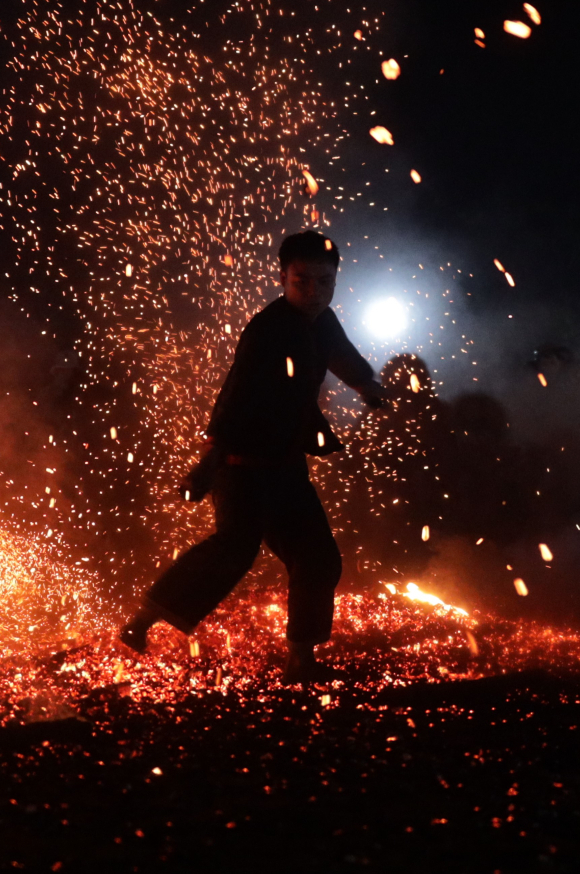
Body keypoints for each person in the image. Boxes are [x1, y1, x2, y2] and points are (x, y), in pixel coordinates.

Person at [119, 230, 387, 682]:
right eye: (302, 281)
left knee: (318, 558)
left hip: (286, 469)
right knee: (233, 549)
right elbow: (235, 398)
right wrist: (207, 463)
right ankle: (142, 620)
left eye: (325, 282)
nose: (314, 292)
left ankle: (301, 658)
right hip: (241, 469)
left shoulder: (322, 320)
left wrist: (367, 385)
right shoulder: (266, 330)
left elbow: (340, 354)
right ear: (283, 277)